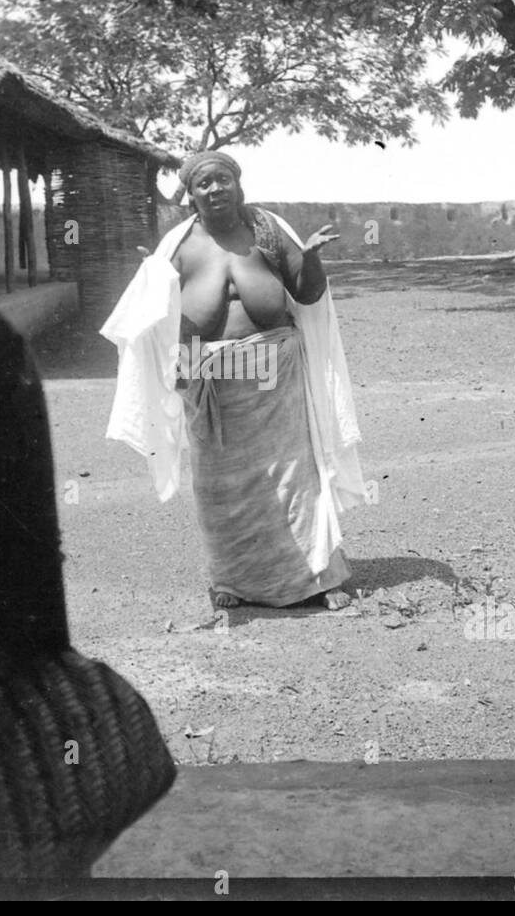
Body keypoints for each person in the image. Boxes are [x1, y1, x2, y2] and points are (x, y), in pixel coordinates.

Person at [100, 149, 365, 610]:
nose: (215, 189)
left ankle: (317, 578)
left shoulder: (267, 231)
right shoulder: (178, 247)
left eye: (223, 179)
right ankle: (233, 580)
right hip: (210, 378)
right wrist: (152, 282)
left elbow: (305, 293)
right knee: (222, 489)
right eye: (204, 184)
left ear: (238, 183)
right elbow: (153, 320)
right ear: (191, 195)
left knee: (294, 479)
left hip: (274, 374)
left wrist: (312, 259)